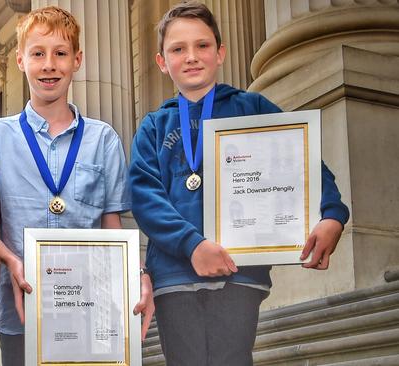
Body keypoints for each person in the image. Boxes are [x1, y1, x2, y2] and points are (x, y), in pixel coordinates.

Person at [129, 2, 350, 366]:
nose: (191, 57)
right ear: (161, 62)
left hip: (240, 273)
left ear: (220, 53)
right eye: (177, 49)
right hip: (174, 277)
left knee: (234, 358)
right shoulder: (154, 127)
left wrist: (332, 213)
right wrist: (192, 245)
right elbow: (144, 197)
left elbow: (301, 161)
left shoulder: (252, 107)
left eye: (202, 45)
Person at [0, 6, 154, 366]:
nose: (49, 65)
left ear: (77, 60)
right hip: (21, 312)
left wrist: (138, 274)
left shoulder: (103, 139)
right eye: (38, 54)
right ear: (21, 60)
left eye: (60, 54)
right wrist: (11, 260)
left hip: (90, 309)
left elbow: (112, 225)